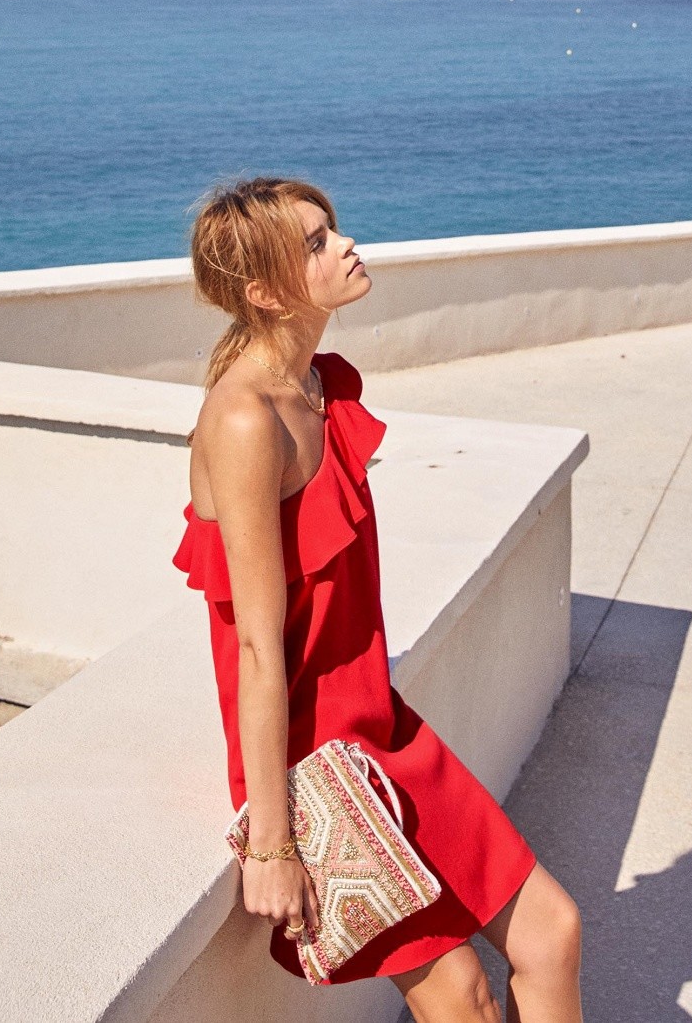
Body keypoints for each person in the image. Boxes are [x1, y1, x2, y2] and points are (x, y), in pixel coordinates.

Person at [173, 176, 583, 1022]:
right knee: (462, 995)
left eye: (333, 229)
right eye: (316, 243)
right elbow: (256, 648)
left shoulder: (320, 385)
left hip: (382, 728)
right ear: (265, 291)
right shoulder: (244, 420)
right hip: (315, 764)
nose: (347, 244)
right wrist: (272, 844)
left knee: (552, 934)